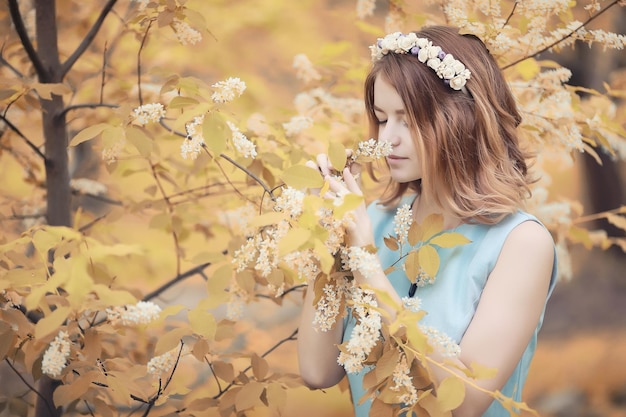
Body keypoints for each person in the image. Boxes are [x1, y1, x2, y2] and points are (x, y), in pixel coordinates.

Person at [297, 26, 557, 417]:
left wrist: (369, 269)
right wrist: (330, 247)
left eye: (408, 119)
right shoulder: (374, 222)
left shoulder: (520, 244)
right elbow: (317, 372)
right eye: (383, 119)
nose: (389, 139)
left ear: (463, 119)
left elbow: (465, 402)